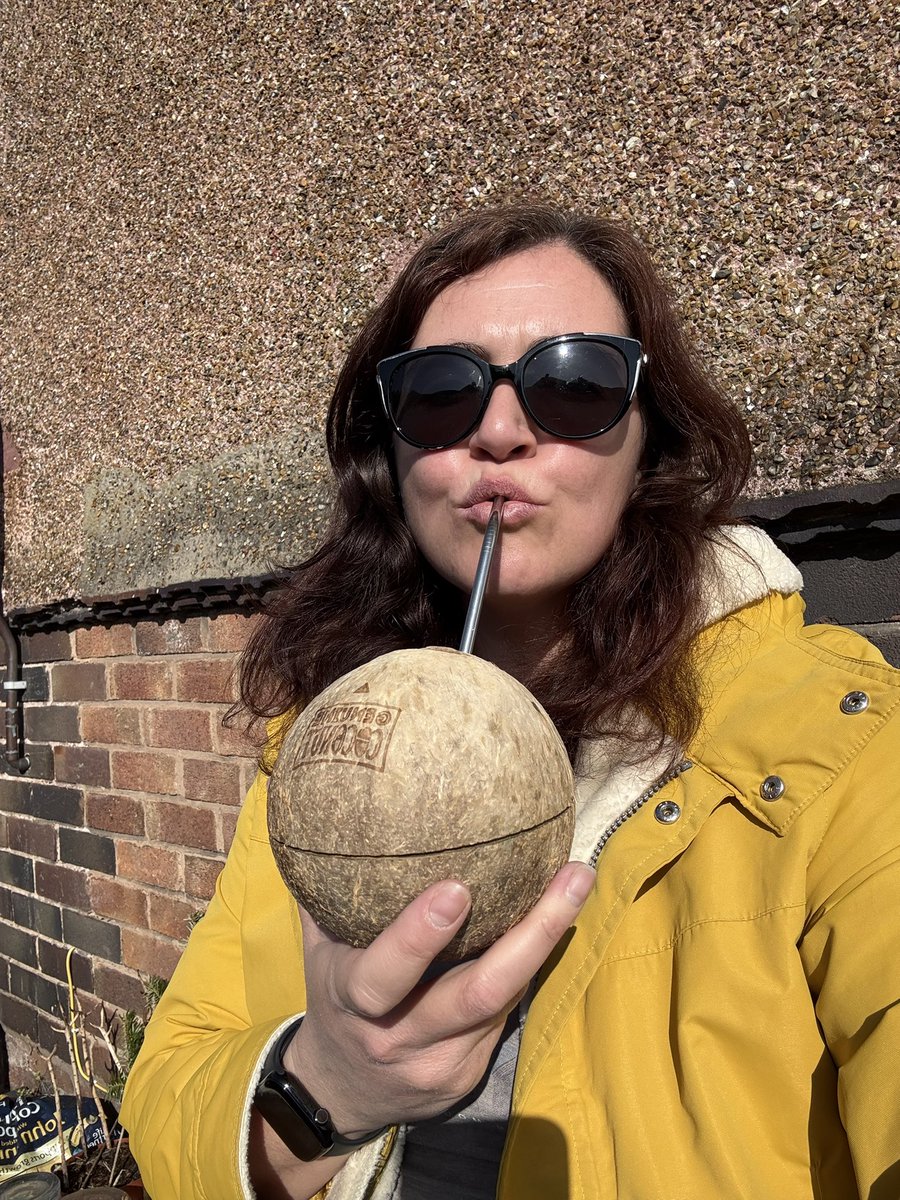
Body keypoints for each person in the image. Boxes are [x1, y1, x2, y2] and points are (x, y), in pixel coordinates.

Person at [120, 204, 900, 1200]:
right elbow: (173, 1095)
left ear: (646, 431)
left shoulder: (841, 745)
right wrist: (327, 1089)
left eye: (574, 384)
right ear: (392, 451)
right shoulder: (320, 752)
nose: (498, 430)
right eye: (441, 394)